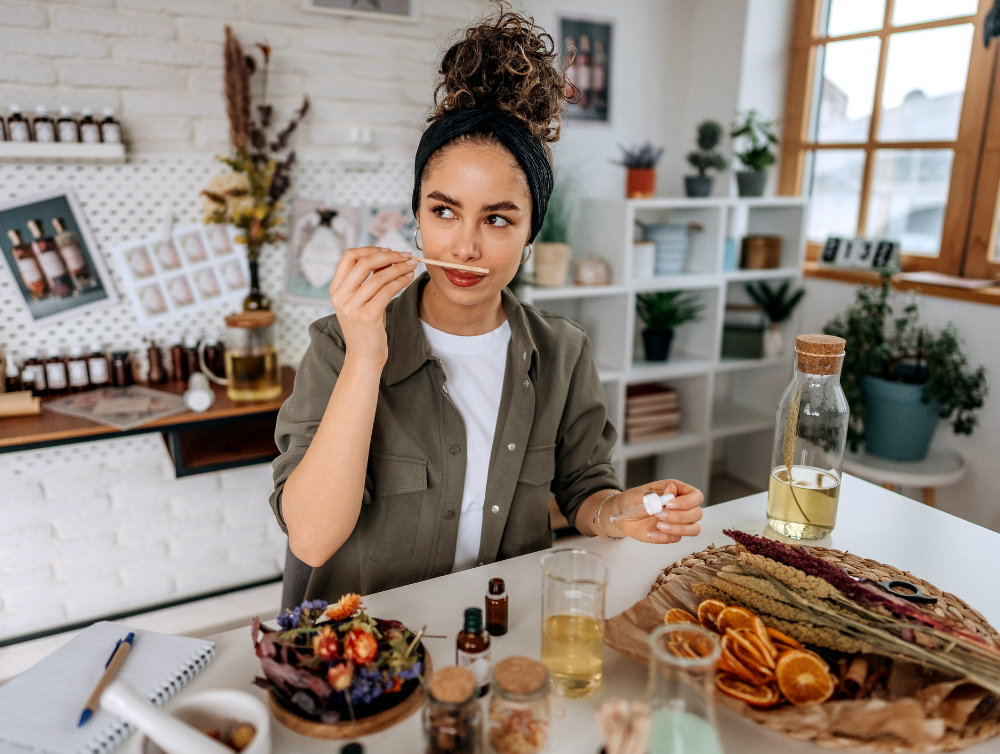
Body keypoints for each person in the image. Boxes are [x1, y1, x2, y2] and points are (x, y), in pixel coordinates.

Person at [269, 4, 704, 605]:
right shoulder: (339, 343)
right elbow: (312, 541)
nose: (465, 245)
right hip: (367, 655)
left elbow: (584, 492)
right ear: (416, 217)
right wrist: (367, 356)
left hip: (499, 636)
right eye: (443, 211)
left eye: (498, 219)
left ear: (531, 236)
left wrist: (620, 512)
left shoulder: (562, 351)